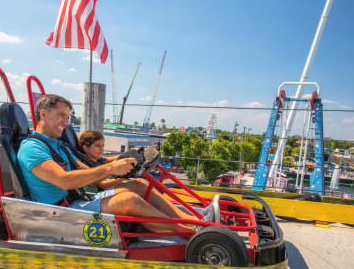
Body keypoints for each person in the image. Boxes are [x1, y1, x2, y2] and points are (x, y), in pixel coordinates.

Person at [17, 94, 217, 237]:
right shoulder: (32, 148)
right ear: (43, 114)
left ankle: (197, 221)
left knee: (138, 185)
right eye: (61, 115)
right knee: (129, 200)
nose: (66, 122)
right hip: (60, 213)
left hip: (78, 200)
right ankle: (196, 235)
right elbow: (63, 181)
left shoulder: (58, 145)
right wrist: (111, 169)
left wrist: (123, 166)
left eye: (68, 117)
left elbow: (88, 171)